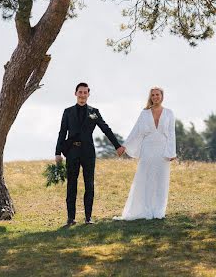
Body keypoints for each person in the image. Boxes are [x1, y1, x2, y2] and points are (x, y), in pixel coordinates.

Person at [55, 82, 125, 226]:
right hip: (72, 152)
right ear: (75, 94)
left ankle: (88, 218)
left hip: (88, 152)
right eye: (80, 92)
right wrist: (57, 153)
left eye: (85, 92)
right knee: (71, 185)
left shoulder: (94, 112)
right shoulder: (68, 112)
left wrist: (117, 146)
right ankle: (71, 218)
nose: (82, 95)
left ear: (88, 94)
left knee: (89, 185)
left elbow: (106, 129)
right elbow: (62, 132)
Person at [115, 86, 177, 220]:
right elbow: (136, 131)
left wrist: (171, 151)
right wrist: (124, 146)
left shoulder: (169, 113)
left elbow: (172, 133)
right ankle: (147, 210)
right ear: (150, 97)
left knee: (161, 180)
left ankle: (159, 211)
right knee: (146, 178)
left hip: (163, 149)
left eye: (157, 94)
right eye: (153, 95)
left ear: (162, 96)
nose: (155, 97)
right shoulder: (144, 113)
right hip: (147, 149)